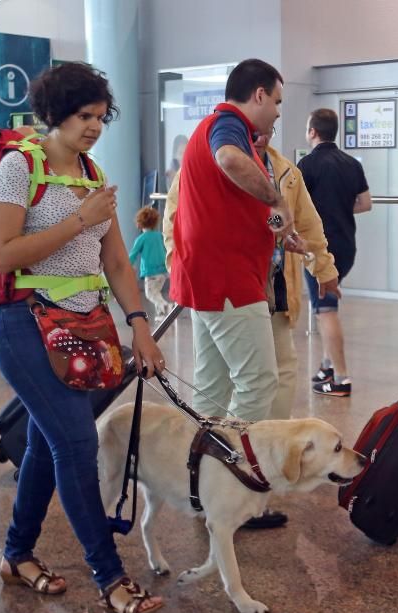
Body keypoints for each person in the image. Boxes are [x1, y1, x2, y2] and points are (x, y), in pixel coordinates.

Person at [0, 62, 165, 613]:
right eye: (82, 115)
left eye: (99, 116)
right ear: (53, 114)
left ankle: (17, 555)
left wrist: (139, 323)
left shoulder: (92, 172)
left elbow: (115, 259)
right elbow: (3, 254)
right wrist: (76, 220)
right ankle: (111, 579)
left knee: (48, 441)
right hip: (24, 322)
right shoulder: (19, 168)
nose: (93, 126)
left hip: (81, 325)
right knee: (75, 444)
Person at [164, 126, 339, 420]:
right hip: (222, 283)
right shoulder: (208, 164)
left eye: (269, 129)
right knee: (228, 378)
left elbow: (304, 224)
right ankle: (227, 455)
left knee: (278, 368)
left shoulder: (286, 172)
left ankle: (260, 445)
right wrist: (182, 266)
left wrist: (322, 267)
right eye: (255, 131)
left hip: (271, 283)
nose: (263, 136)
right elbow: (174, 220)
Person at [298, 108, 372, 397]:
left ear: (313, 132)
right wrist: (341, 208)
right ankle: (327, 365)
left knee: (325, 310)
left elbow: (296, 208)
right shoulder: (351, 163)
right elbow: (365, 203)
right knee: (325, 305)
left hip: (319, 248)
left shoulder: (306, 165)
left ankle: (340, 378)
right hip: (347, 246)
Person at [128, 206, 171, 319]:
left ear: (139, 223)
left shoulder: (141, 238)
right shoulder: (160, 236)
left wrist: (127, 266)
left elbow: (133, 254)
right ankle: (161, 314)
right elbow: (167, 249)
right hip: (163, 272)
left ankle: (165, 306)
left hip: (150, 272)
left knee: (150, 294)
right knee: (156, 292)